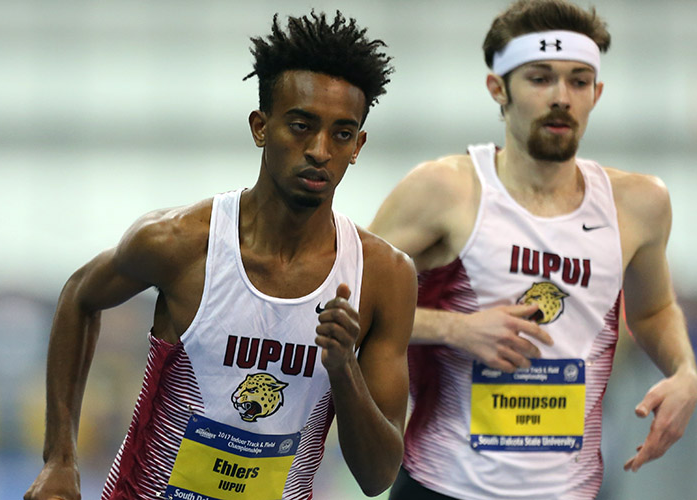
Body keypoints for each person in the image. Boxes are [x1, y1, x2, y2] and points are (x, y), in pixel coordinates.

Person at [23, 10, 417, 500]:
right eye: (301, 125)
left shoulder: (383, 277)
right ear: (260, 127)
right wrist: (60, 457)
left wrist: (343, 369)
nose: (319, 150)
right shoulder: (180, 242)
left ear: (358, 146)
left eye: (341, 134)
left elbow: (377, 476)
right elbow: (79, 296)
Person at [368, 1, 697, 498]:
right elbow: (346, 302)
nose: (562, 97)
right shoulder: (444, 189)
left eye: (579, 81)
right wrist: (457, 327)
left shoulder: (639, 204)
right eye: (540, 79)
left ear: (597, 94)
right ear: (497, 88)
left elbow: (653, 311)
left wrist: (685, 372)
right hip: (442, 484)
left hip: (568, 489)